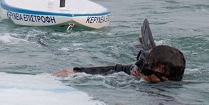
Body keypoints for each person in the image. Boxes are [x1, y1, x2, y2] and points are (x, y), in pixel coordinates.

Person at [52, 19, 186, 82]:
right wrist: (77, 72)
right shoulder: (138, 70)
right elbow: (116, 69)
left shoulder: (162, 95)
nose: (139, 69)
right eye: (144, 62)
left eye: (146, 67)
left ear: (165, 79)